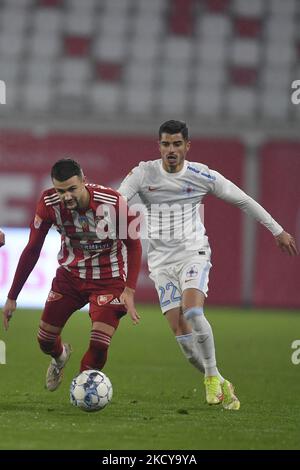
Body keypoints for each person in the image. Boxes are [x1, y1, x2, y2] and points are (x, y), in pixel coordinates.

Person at [118, 120, 298, 411]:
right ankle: (219, 380)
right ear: (159, 146)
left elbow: (243, 200)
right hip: (161, 264)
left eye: (177, 144)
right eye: (166, 144)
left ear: (187, 146)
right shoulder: (143, 173)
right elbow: (118, 200)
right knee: (186, 346)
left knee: (192, 309)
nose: (171, 150)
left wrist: (277, 230)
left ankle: (211, 377)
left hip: (193, 253)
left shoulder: (202, 175)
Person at [2, 159, 141, 391]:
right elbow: (32, 249)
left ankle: (84, 387)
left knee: (99, 342)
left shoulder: (113, 202)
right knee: (45, 341)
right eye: (60, 190)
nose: (66, 196)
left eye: (71, 189)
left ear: (84, 181)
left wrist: (129, 290)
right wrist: (12, 296)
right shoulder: (48, 203)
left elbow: (134, 245)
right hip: (70, 277)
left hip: (109, 279)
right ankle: (60, 357)